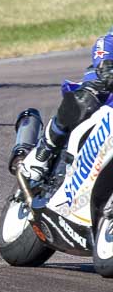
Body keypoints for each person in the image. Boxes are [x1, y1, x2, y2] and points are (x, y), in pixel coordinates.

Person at [14, 30, 113, 181]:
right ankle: (44, 151)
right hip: (106, 79)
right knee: (87, 100)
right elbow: (106, 40)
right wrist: (106, 65)